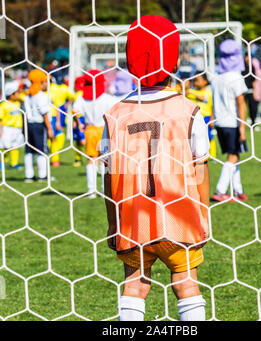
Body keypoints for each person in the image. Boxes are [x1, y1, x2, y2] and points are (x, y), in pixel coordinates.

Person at [102, 14, 210, 321]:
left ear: (129, 60)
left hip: (134, 218)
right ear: (174, 62)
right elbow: (199, 167)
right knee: (186, 283)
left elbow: (108, 178)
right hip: (180, 217)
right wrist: (203, 214)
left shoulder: (115, 114)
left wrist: (113, 222)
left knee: (134, 286)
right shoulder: (188, 110)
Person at [211, 39, 248, 202]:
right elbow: (241, 103)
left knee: (235, 155)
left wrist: (212, 117)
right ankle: (220, 190)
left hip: (219, 122)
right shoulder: (236, 78)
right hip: (232, 123)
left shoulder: (217, 78)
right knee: (232, 156)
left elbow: (213, 100)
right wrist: (242, 127)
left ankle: (238, 190)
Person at [73, 69, 118, 197]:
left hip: (90, 130)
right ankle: (105, 189)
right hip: (105, 129)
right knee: (105, 161)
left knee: (91, 160)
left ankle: (91, 190)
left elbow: (75, 110)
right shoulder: (107, 98)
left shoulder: (82, 98)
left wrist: (80, 126)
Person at [23, 69, 54, 182]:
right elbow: (44, 114)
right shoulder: (40, 96)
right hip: (39, 125)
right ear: (40, 82)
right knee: (41, 150)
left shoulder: (28, 95)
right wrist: (50, 129)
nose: (47, 84)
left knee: (29, 150)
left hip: (29, 125)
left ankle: (29, 175)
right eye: (45, 82)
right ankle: (42, 175)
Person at [187, 73, 217, 158]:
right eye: (194, 80)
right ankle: (197, 153)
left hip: (206, 118)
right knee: (195, 136)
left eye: (198, 80)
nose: (195, 82)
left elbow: (205, 100)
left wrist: (212, 118)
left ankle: (212, 155)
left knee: (209, 136)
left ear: (205, 81)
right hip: (194, 118)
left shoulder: (208, 92)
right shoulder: (192, 91)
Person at [0, 81, 24, 170]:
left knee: (15, 146)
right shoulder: (4, 105)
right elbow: (0, 119)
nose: (19, 94)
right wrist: (0, 130)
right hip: (7, 128)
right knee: (6, 147)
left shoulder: (18, 103)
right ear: (11, 94)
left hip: (17, 128)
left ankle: (14, 163)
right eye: (17, 92)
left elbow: (23, 99)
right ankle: (3, 162)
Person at [72, 75, 86, 167]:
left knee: (83, 141)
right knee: (78, 141)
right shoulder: (77, 94)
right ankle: (78, 159)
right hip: (77, 119)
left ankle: (92, 157)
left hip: (82, 119)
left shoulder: (81, 94)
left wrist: (78, 122)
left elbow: (75, 110)